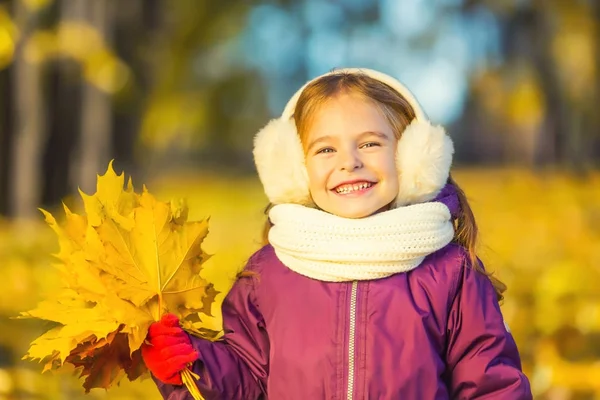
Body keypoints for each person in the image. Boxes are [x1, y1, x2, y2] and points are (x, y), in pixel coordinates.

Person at [141, 68, 533, 399]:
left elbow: (490, 384)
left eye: (370, 143)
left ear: (414, 157)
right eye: (325, 150)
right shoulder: (269, 274)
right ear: (294, 170)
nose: (350, 162)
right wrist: (192, 366)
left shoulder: (449, 271)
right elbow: (247, 377)